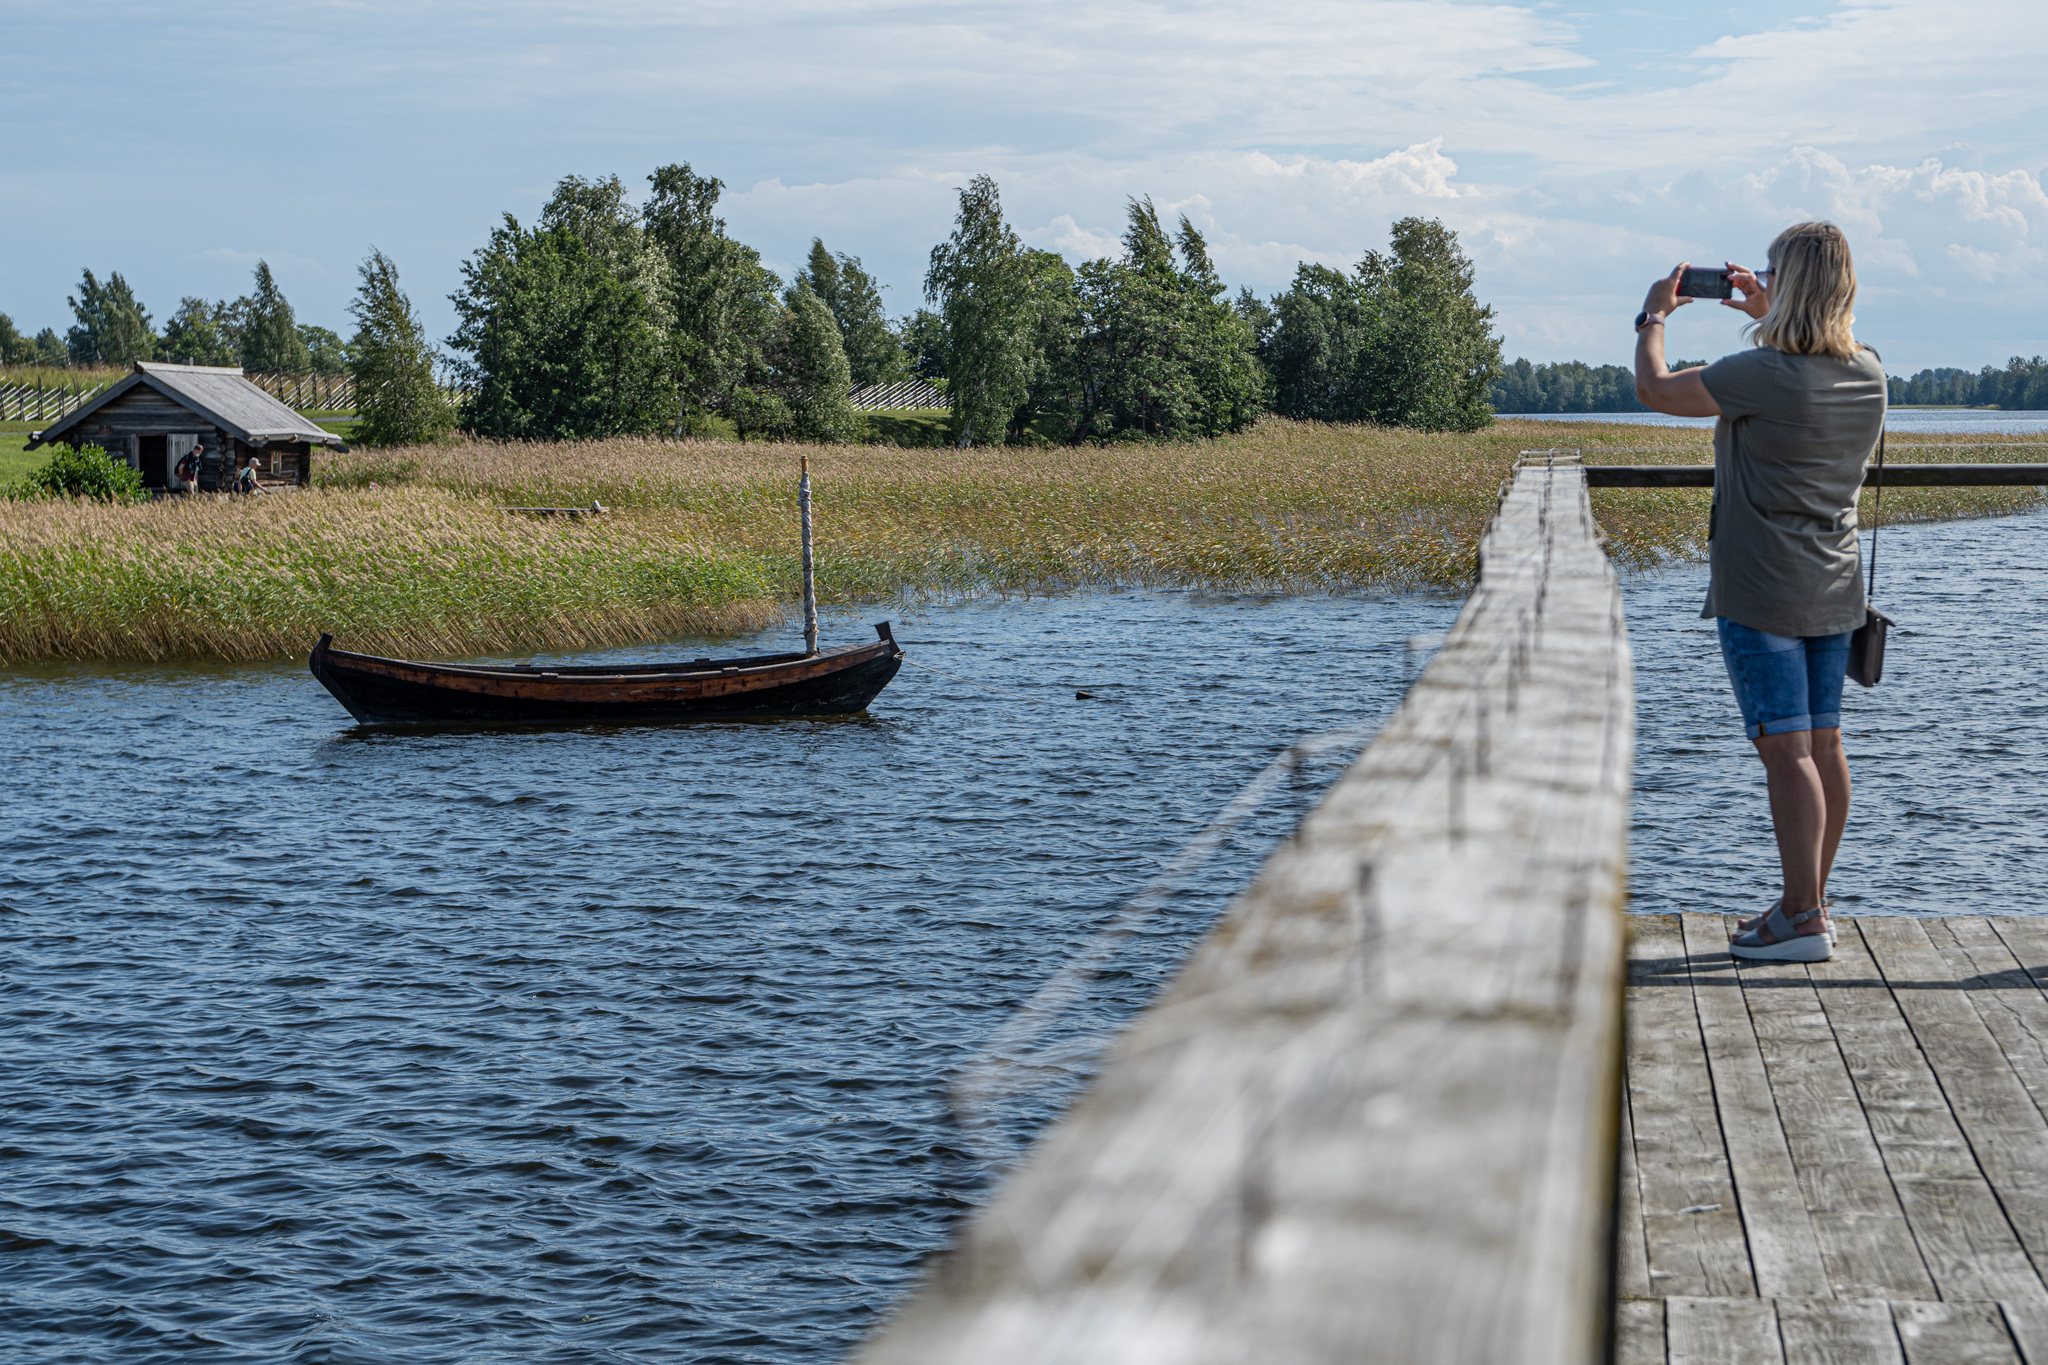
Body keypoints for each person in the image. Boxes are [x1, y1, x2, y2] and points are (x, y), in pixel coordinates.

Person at [1633, 221, 1886, 963]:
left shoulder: (1762, 373)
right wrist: (1768, 312)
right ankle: (1807, 903)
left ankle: (1802, 916)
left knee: (1785, 750)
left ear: (1791, 283)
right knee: (1823, 742)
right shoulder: (1869, 371)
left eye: (1772, 272)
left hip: (1761, 584)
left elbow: (1653, 389)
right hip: (1835, 581)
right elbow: (1818, 350)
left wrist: (1654, 315)